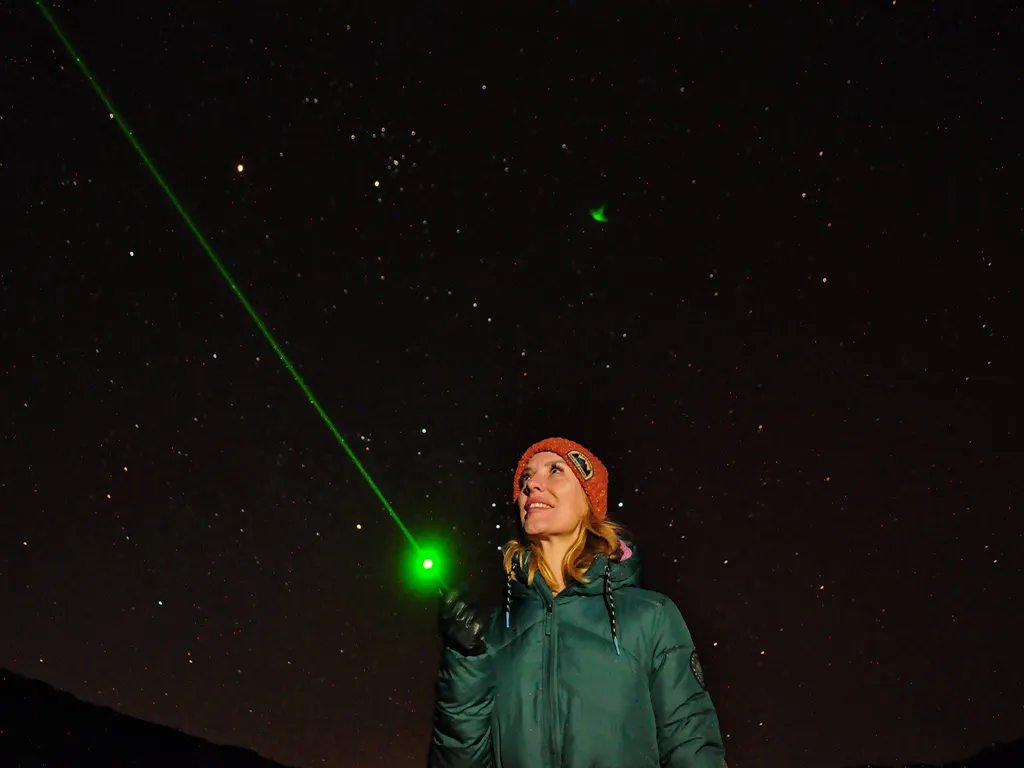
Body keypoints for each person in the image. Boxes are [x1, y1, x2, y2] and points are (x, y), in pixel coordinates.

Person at [429, 437, 728, 768]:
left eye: (555, 470)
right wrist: (464, 662)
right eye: (526, 478)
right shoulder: (491, 635)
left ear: (590, 500)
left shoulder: (650, 617)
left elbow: (692, 747)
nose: (531, 485)